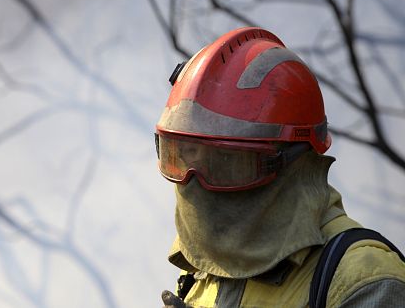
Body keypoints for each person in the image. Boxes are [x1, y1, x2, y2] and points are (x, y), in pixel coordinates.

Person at [155, 27, 405, 307]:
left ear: (295, 162)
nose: (196, 179)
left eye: (227, 163)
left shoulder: (363, 280)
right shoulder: (205, 271)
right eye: (184, 155)